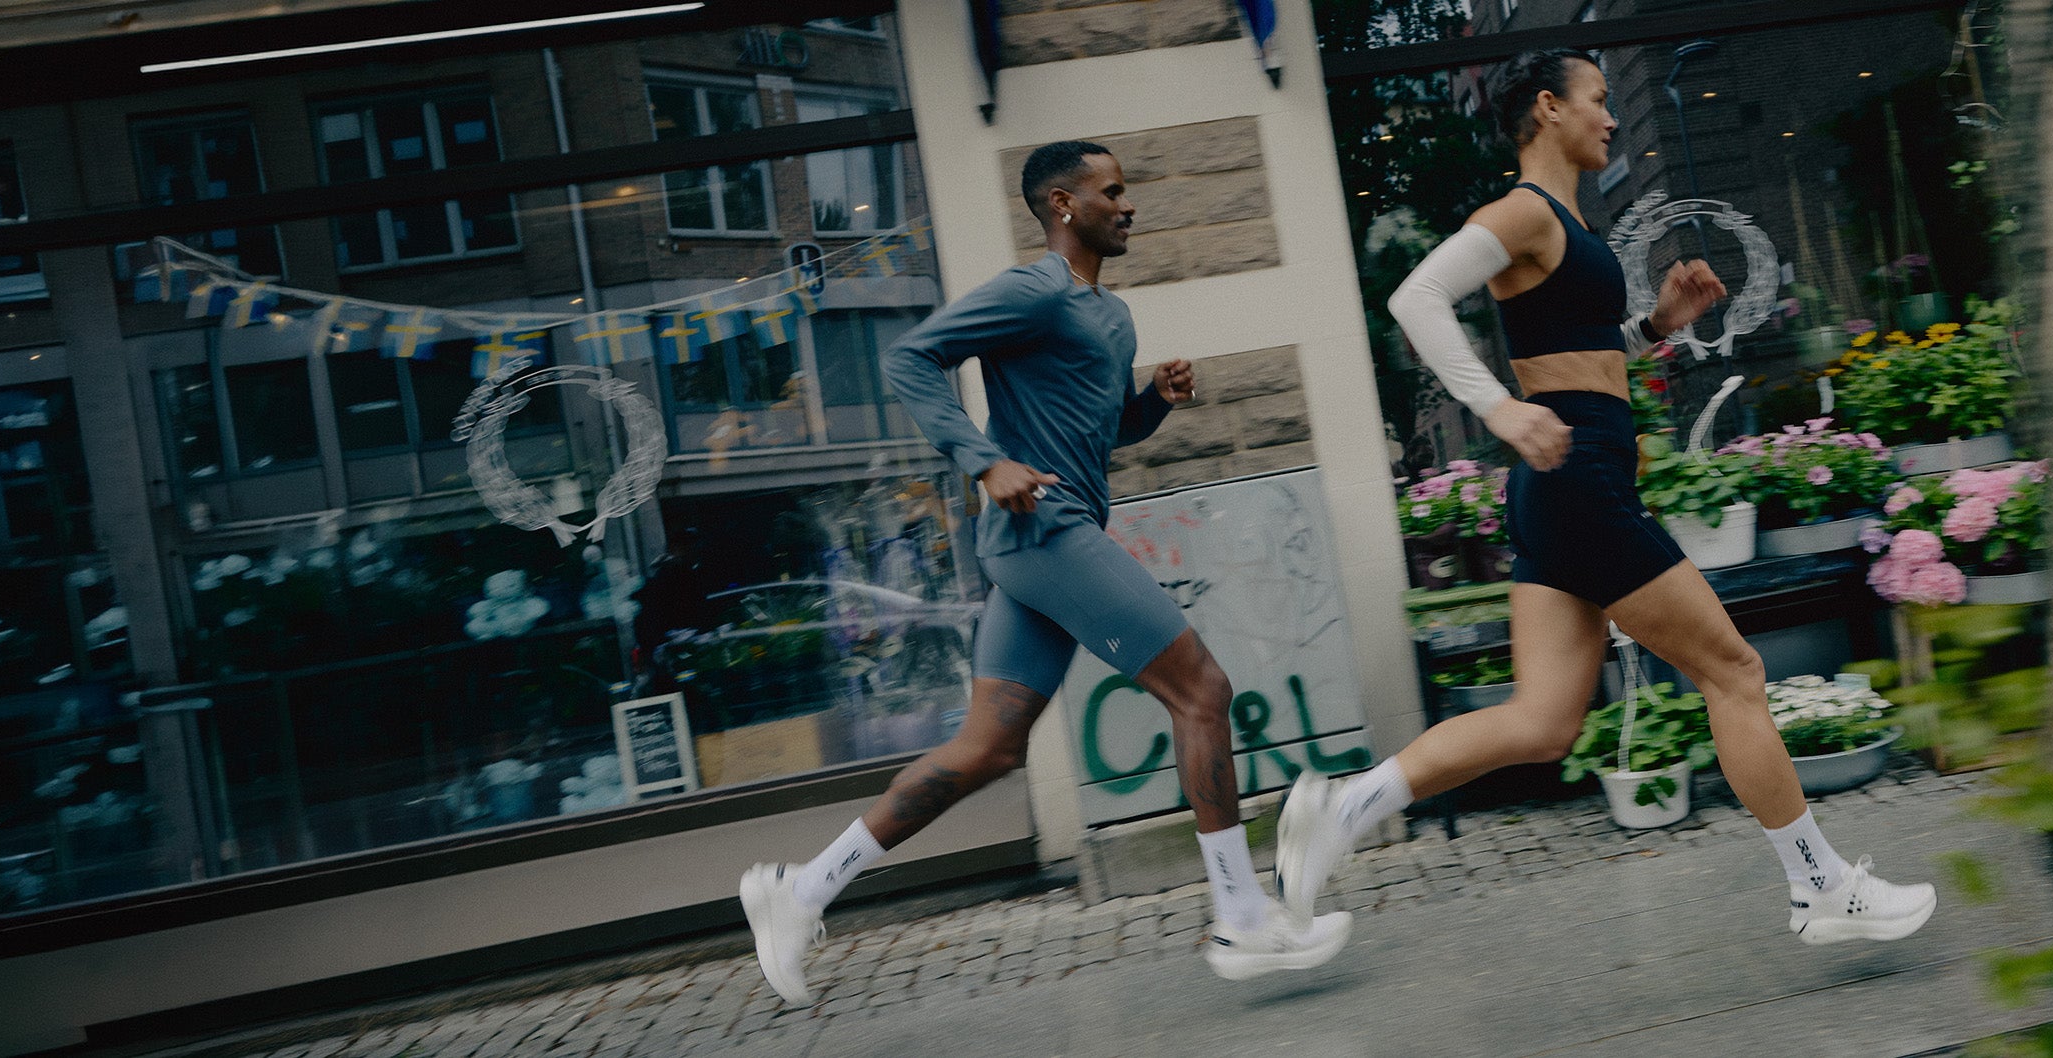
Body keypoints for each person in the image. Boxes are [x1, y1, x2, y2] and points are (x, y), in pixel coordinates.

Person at [1275, 49, 1938, 950]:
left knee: (1544, 722)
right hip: (1577, 481)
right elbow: (1417, 295)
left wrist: (1657, 325)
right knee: (1735, 672)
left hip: (1565, 490)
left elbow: (1575, 344)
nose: (1612, 117)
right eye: (1596, 99)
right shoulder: (1523, 210)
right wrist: (1499, 407)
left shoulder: (1567, 225)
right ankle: (1819, 884)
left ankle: (1348, 805)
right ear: (1548, 109)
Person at [738, 141, 1346, 1006]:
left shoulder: (1113, 315)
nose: (1129, 205)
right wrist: (984, 461)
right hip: (1040, 530)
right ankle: (1242, 914)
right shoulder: (1033, 291)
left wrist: (1152, 405)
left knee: (986, 749)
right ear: (1063, 204)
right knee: (1202, 692)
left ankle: (799, 891)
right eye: (1113, 191)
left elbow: (1101, 439)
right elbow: (912, 358)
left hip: (1052, 535)